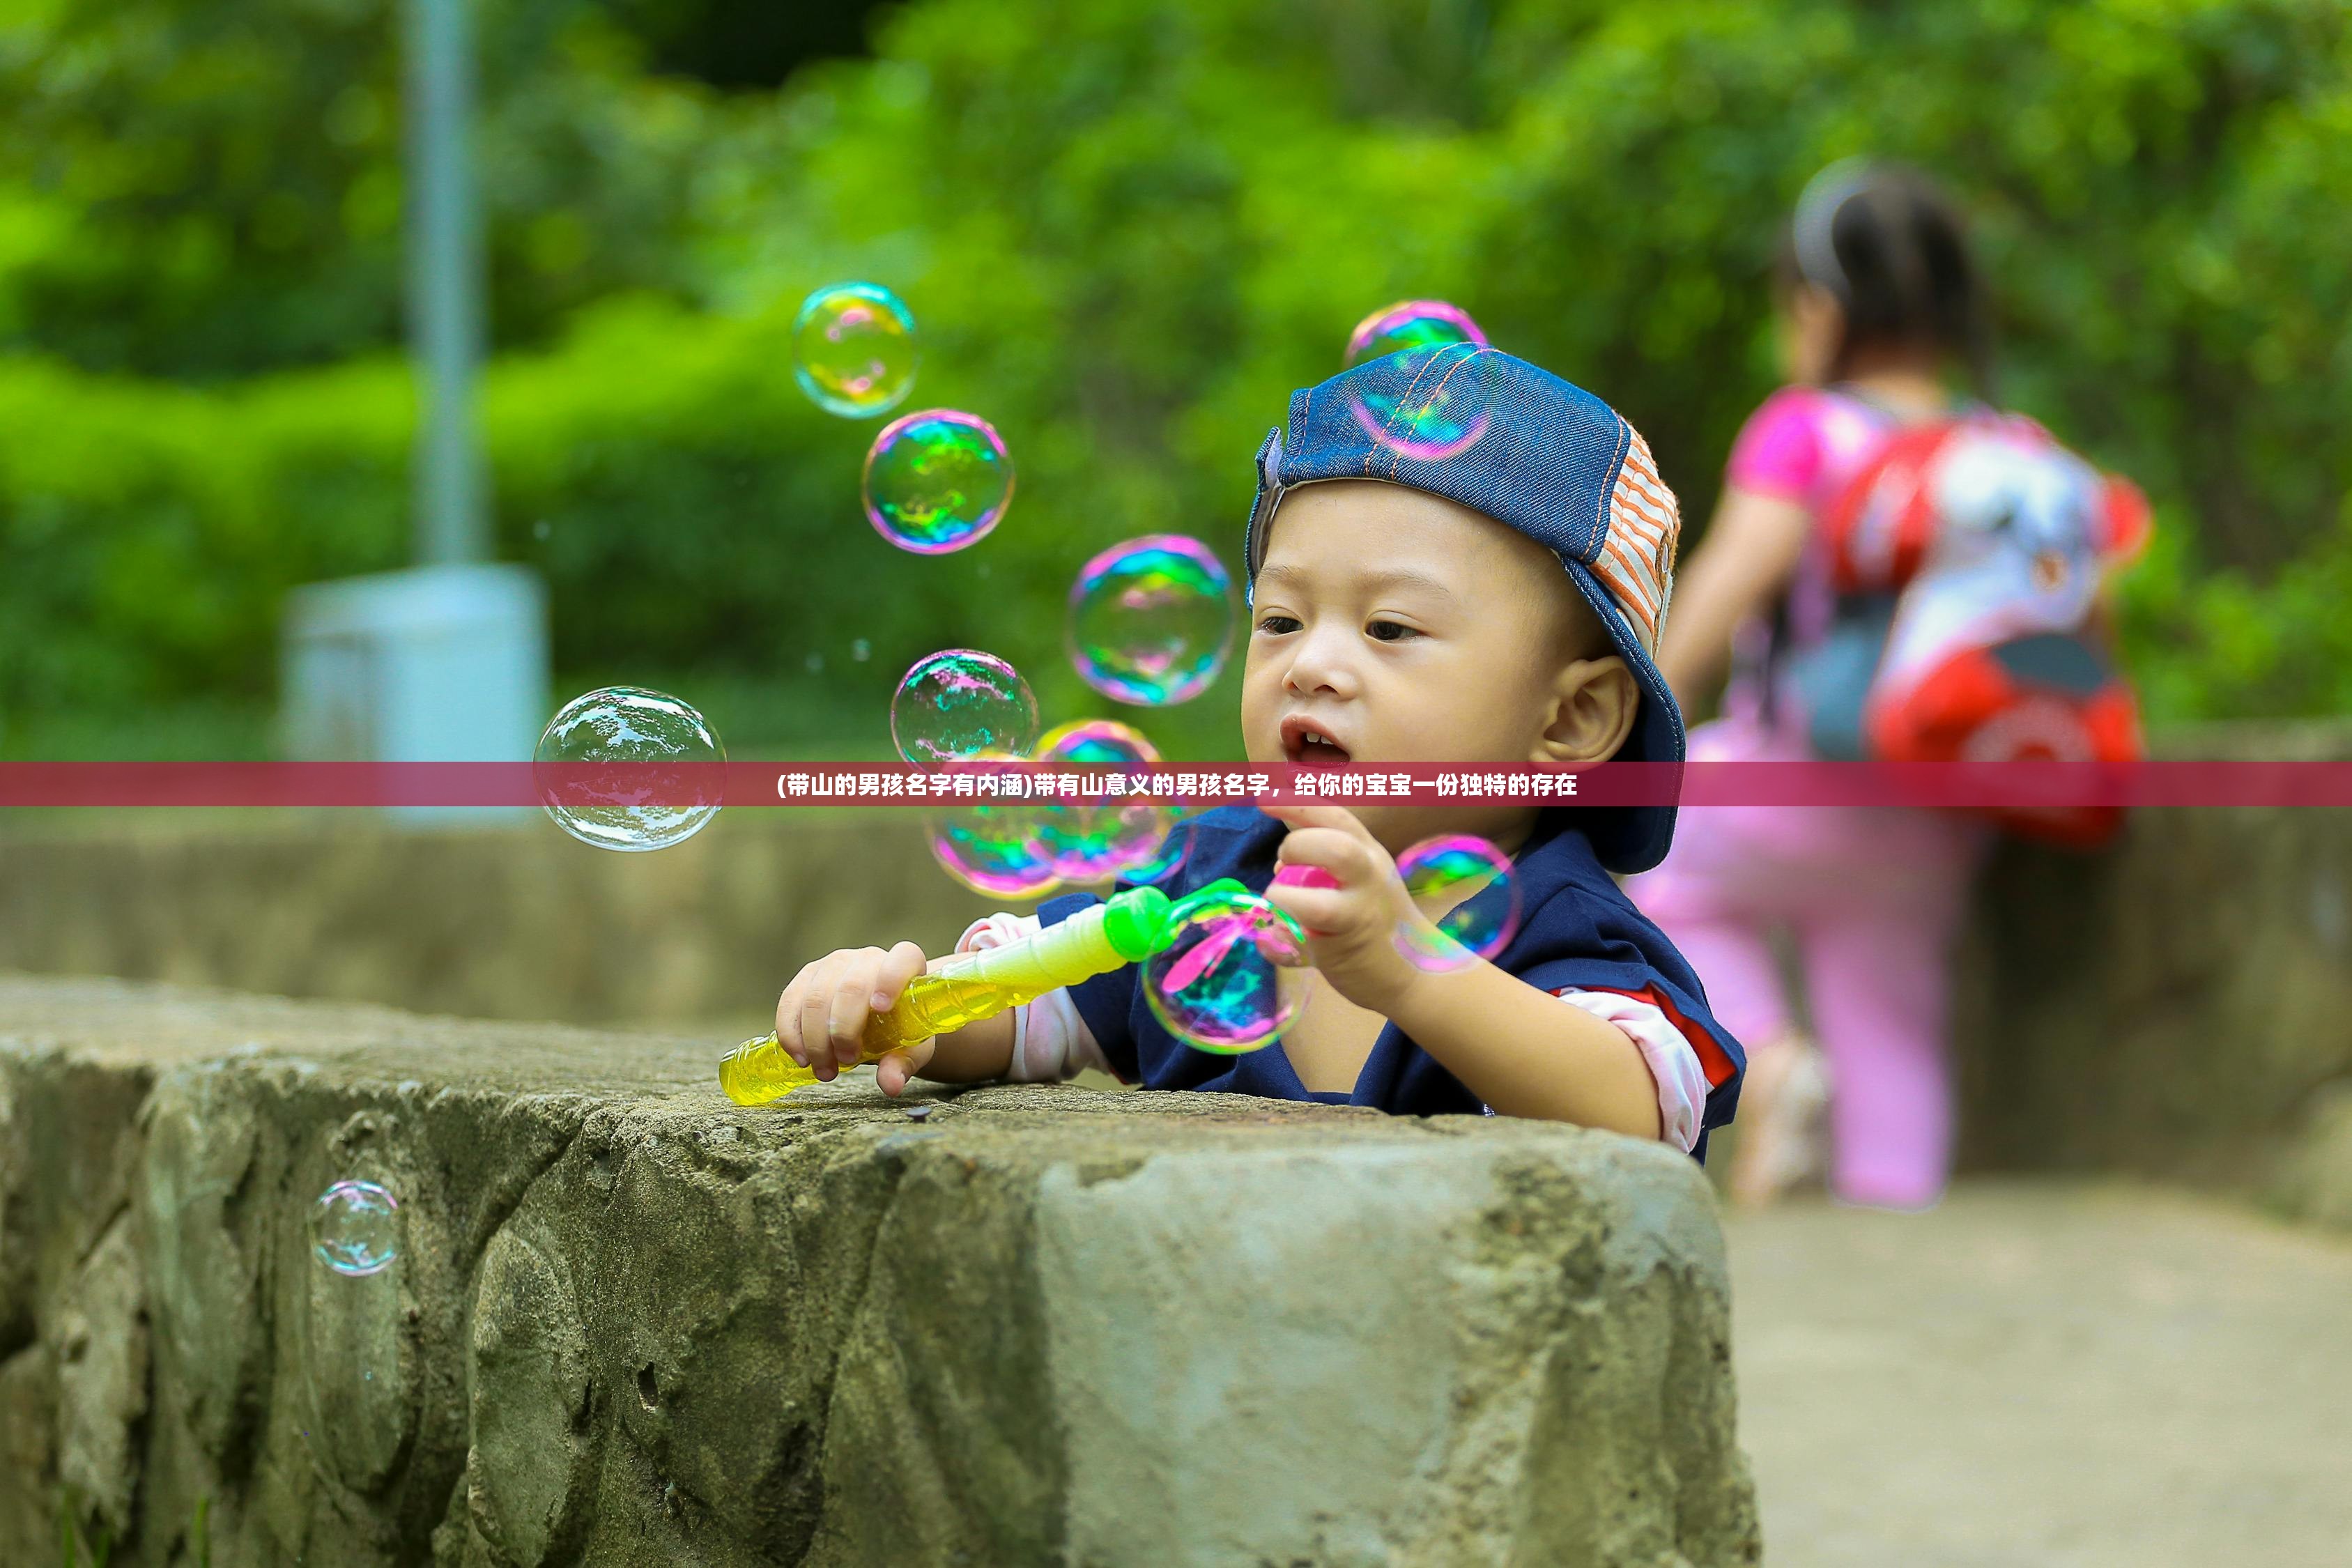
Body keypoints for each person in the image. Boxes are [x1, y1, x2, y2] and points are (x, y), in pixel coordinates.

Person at [770, 346, 1744, 1157]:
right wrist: (895, 1003)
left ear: (1569, 722)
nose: (1312, 664)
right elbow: (1031, 1014)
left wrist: (1407, 965)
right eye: (1280, 618)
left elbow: (1638, 1112)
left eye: (1391, 627)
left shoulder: (1558, 923)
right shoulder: (1204, 879)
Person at [1631, 161, 1993, 1208]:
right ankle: (1896, 1225)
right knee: (1892, 1022)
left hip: (1790, 791)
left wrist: (1631, 703)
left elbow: (1723, 589)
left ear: (1821, 306)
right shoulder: (2002, 443)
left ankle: (1768, 1056)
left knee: (1656, 865)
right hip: (1940, 819)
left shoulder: (1807, 429)